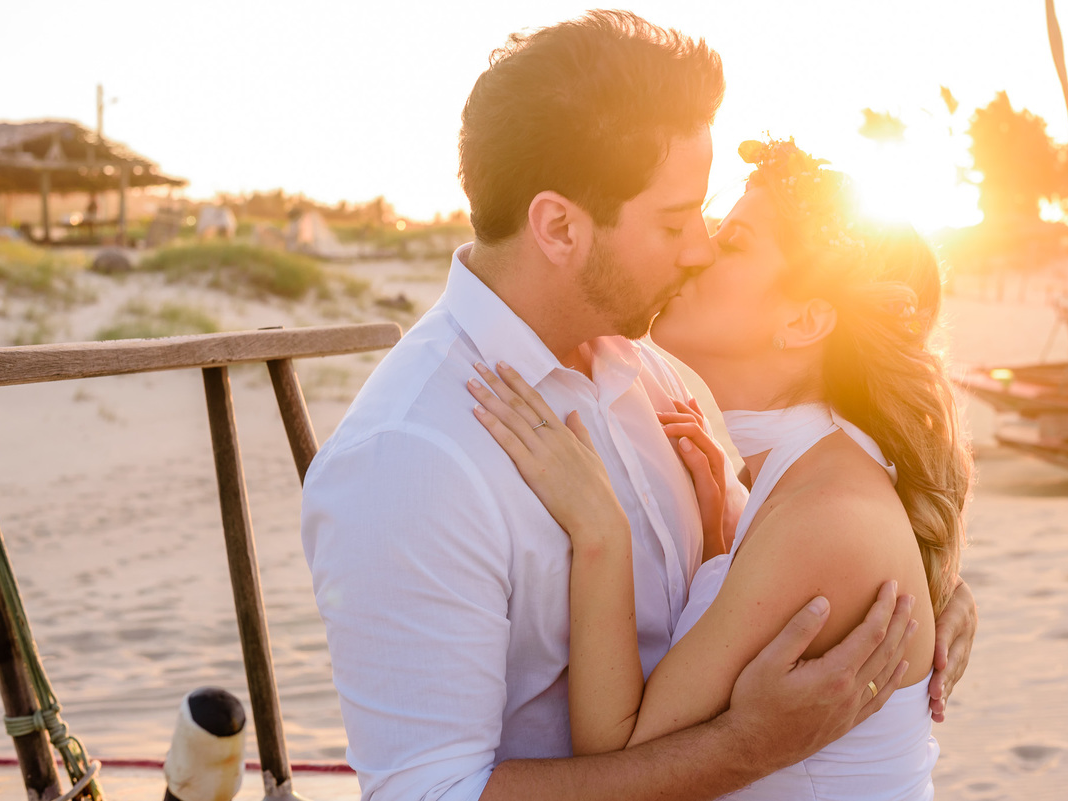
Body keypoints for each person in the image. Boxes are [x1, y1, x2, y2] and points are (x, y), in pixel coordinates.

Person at [301, 11, 977, 800]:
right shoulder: (410, 456)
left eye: (710, 217)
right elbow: (430, 794)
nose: (698, 248)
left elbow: (802, 553)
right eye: (673, 220)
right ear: (558, 226)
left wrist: (927, 587)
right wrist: (745, 747)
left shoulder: (662, 373)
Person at [467, 137, 973, 798]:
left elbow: (621, 756)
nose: (699, 250)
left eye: (733, 242)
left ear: (803, 320)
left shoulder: (827, 514)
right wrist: (719, 544)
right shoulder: (811, 473)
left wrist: (600, 530)